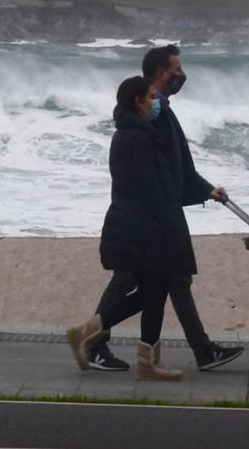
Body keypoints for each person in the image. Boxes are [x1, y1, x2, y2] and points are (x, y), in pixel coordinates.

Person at [86, 45, 244, 373]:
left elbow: (176, 166)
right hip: (150, 220)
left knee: (171, 280)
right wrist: (167, 215)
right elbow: (156, 174)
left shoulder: (155, 112)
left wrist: (204, 189)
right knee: (138, 281)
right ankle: (94, 342)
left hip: (155, 216)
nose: (181, 76)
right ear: (161, 74)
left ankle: (198, 351)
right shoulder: (147, 118)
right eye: (176, 70)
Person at [66, 76, 188, 381]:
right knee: (153, 291)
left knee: (153, 291)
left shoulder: (128, 133)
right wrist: (166, 222)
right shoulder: (138, 137)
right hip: (143, 229)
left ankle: (138, 358)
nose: (155, 102)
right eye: (151, 97)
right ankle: (92, 335)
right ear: (138, 101)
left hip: (134, 225)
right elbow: (149, 187)